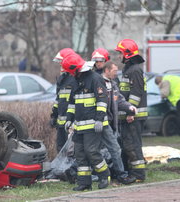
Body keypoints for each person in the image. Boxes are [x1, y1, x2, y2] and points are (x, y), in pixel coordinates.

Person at [62, 53, 111, 191]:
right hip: (79, 125)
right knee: (80, 154)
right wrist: (69, 119)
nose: (70, 74)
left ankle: (104, 175)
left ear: (75, 70)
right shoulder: (75, 81)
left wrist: (99, 120)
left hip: (93, 125)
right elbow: (72, 103)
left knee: (91, 151)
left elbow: (102, 100)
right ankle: (84, 183)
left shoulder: (95, 79)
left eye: (71, 72)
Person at [115, 39, 147, 182]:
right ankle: (132, 172)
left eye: (120, 53)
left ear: (127, 54)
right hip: (129, 115)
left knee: (134, 145)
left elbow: (136, 94)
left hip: (134, 116)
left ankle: (139, 175)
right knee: (128, 145)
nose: (118, 56)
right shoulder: (129, 69)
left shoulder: (135, 70)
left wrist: (130, 112)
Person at [101, 61, 137, 185]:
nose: (116, 74)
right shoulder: (99, 84)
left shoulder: (113, 84)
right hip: (101, 123)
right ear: (106, 70)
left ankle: (109, 175)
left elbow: (119, 100)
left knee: (101, 150)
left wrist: (129, 107)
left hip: (110, 124)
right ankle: (121, 175)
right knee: (114, 148)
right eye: (114, 71)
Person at [50, 48, 78, 152]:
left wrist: (72, 120)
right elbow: (58, 100)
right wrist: (54, 115)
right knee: (60, 149)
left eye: (62, 62)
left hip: (71, 123)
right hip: (61, 124)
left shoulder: (75, 78)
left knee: (71, 151)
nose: (61, 65)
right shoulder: (61, 79)